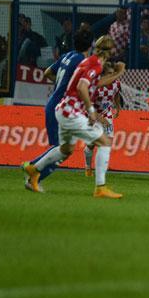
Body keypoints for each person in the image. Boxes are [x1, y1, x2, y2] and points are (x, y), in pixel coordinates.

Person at [22, 35, 125, 199]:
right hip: (72, 112)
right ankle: (100, 187)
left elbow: (94, 84)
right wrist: (91, 111)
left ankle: (34, 169)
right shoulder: (94, 64)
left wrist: (117, 74)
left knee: (65, 150)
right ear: (110, 51)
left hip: (62, 108)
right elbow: (82, 87)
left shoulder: (87, 61)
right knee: (105, 142)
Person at [22, 30, 93, 191]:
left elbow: (47, 72)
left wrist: (62, 85)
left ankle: (33, 178)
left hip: (53, 103)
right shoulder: (83, 61)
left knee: (64, 150)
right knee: (62, 148)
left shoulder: (67, 56)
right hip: (62, 107)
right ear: (90, 45)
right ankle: (32, 167)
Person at [84, 62, 122, 177]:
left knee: (107, 143)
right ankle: (88, 167)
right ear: (103, 75)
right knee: (91, 145)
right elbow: (89, 107)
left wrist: (118, 107)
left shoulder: (116, 83)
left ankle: (101, 170)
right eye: (109, 74)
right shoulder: (96, 87)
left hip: (107, 114)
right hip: (93, 115)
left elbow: (116, 94)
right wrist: (99, 119)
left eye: (113, 73)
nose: (112, 76)